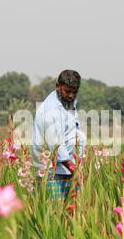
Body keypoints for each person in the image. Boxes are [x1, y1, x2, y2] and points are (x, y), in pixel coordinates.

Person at [31, 70, 86, 199]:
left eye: (75, 92)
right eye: (67, 91)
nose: (71, 95)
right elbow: (56, 145)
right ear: (57, 86)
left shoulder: (67, 101)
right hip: (53, 171)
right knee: (55, 213)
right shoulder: (50, 111)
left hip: (68, 169)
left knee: (71, 214)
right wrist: (75, 170)